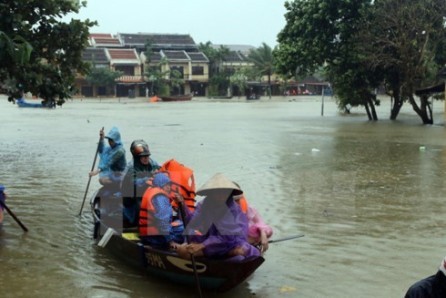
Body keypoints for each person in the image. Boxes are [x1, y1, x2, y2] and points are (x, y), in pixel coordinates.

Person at [176, 173, 261, 261]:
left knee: (241, 252)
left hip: (230, 243)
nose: (221, 195)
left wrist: (202, 245)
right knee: (183, 251)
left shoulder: (232, 209)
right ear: (211, 193)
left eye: (224, 192)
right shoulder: (203, 205)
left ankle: (228, 255)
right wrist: (182, 205)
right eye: (217, 192)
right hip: (210, 243)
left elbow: (227, 237)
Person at [139, 172, 184, 250]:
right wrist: (170, 241)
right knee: (186, 228)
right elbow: (163, 220)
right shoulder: (160, 197)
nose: (169, 188)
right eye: (167, 185)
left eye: (169, 185)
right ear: (161, 185)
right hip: (155, 238)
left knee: (178, 222)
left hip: (147, 235)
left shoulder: (150, 191)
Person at [121, 139, 160, 226]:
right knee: (140, 206)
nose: (146, 158)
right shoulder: (131, 167)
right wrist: (147, 179)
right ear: (137, 157)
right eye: (143, 156)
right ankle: (139, 225)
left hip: (148, 192)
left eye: (147, 156)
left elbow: (161, 170)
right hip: (131, 196)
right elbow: (133, 182)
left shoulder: (153, 163)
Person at [232, 182, 273, 253]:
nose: (237, 202)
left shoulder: (248, 208)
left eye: (238, 199)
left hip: (248, 242)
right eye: (234, 199)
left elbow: (262, 224)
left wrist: (263, 234)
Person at [89, 127, 126, 193]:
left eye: (111, 140)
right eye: (109, 140)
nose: (109, 142)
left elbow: (109, 162)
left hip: (121, 174)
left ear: (116, 140)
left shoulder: (120, 151)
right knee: (101, 180)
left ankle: (119, 188)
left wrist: (97, 171)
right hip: (113, 173)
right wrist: (102, 139)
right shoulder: (110, 149)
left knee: (102, 180)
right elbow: (101, 149)